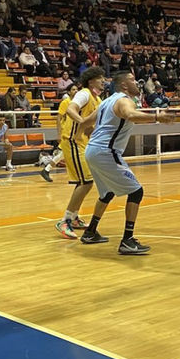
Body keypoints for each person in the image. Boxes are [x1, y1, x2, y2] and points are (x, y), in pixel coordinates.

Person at [80, 70, 176, 254]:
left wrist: (81, 133)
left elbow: (85, 122)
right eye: (132, 80)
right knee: (136, 191)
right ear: (124, 85)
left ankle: (90, 232)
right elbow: (130, 115)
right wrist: (157, 117)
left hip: (92, 150)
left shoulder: (106, 101)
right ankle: (127, 240)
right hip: (106, 152)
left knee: (107, 193)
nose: (137, 82)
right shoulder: (124, 100)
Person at [55, 68, 105, 237]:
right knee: (87, 181)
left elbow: (91, 126)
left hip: (83, 143)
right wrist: (83, 122)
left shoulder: (97, 99)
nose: (103, 81)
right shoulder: (84, 94)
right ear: (91, 81)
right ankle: (65, 221)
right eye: (100, 78)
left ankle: (74, 217)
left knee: (83, 182)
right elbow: (71, 110)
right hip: (72, 141)